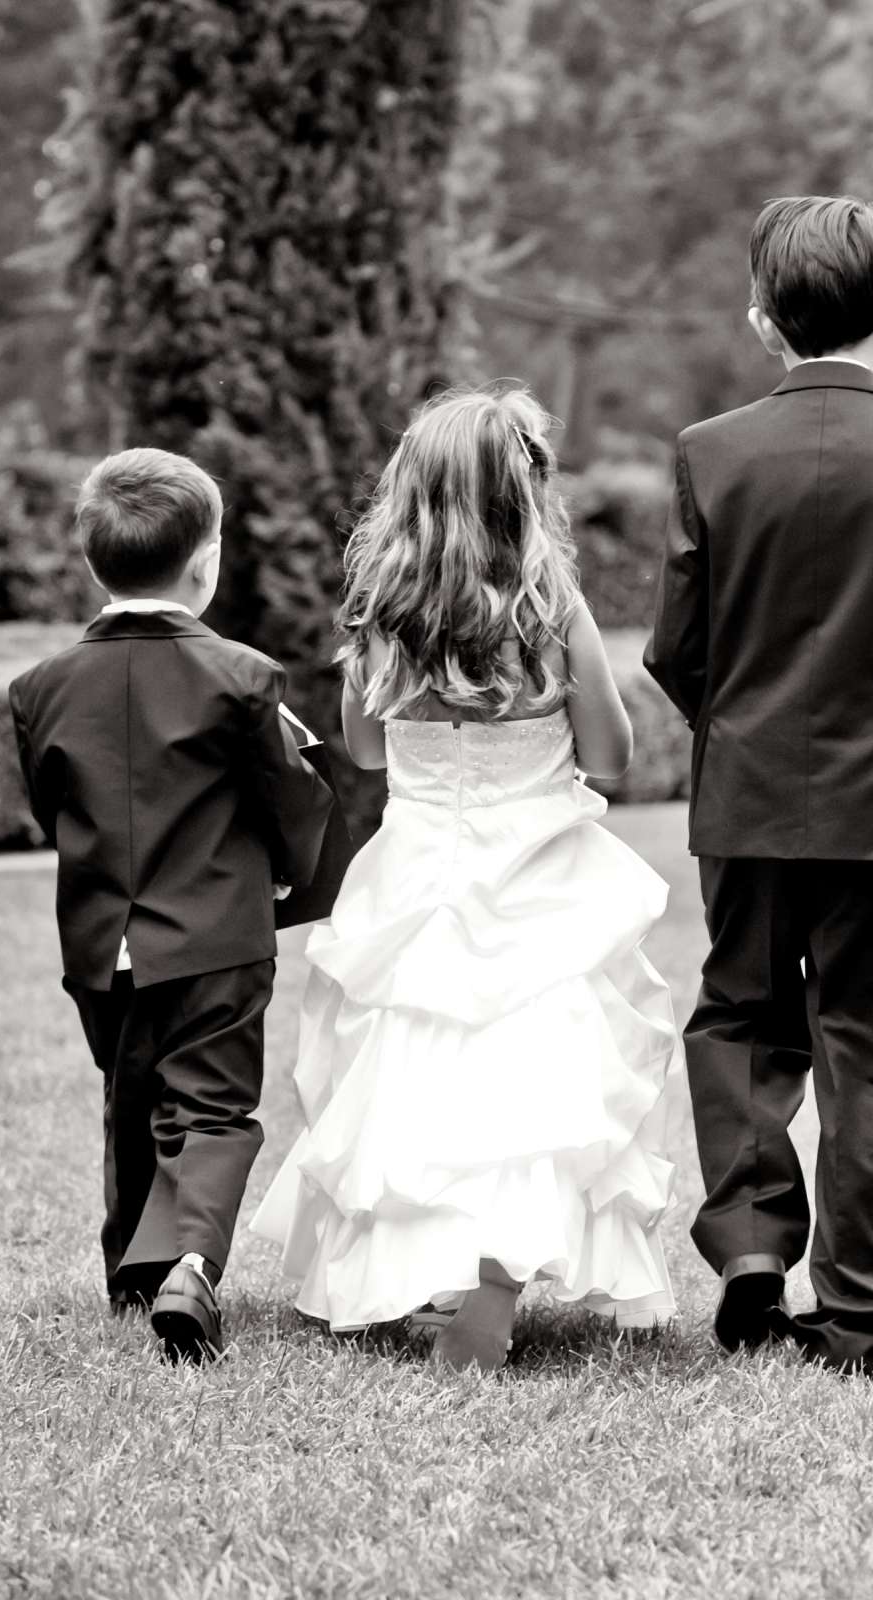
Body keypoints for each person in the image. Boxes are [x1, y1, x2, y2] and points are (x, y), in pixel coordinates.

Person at [645, 195, 873, 1375]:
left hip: (744, 799)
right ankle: (857, 1316)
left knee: (743, 1021)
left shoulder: (710, 453)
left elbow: (673, 650)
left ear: (763, 322)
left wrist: (742, 732)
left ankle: (754, 1251)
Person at [250, 386, 684, 1372]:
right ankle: (486, 1287)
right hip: (537, 869)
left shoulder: (379, 607)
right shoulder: (550, 603)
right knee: (529, 1079)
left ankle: (411, 1271)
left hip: (419, 864)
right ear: (522, 491)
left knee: (414, 1070)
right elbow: (611, 754)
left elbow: (362, 751)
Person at [9, 448, 337, 1364]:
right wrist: (290, 867)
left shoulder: (39, 688)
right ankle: (191, 1264)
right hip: (217, 935)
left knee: (130, 1094)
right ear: (208, 560)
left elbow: (52, 806)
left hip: (100, 940)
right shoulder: (242, 677)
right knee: (213, 1109)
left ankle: (133, 1268)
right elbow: (290, 800)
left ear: (90, 561)